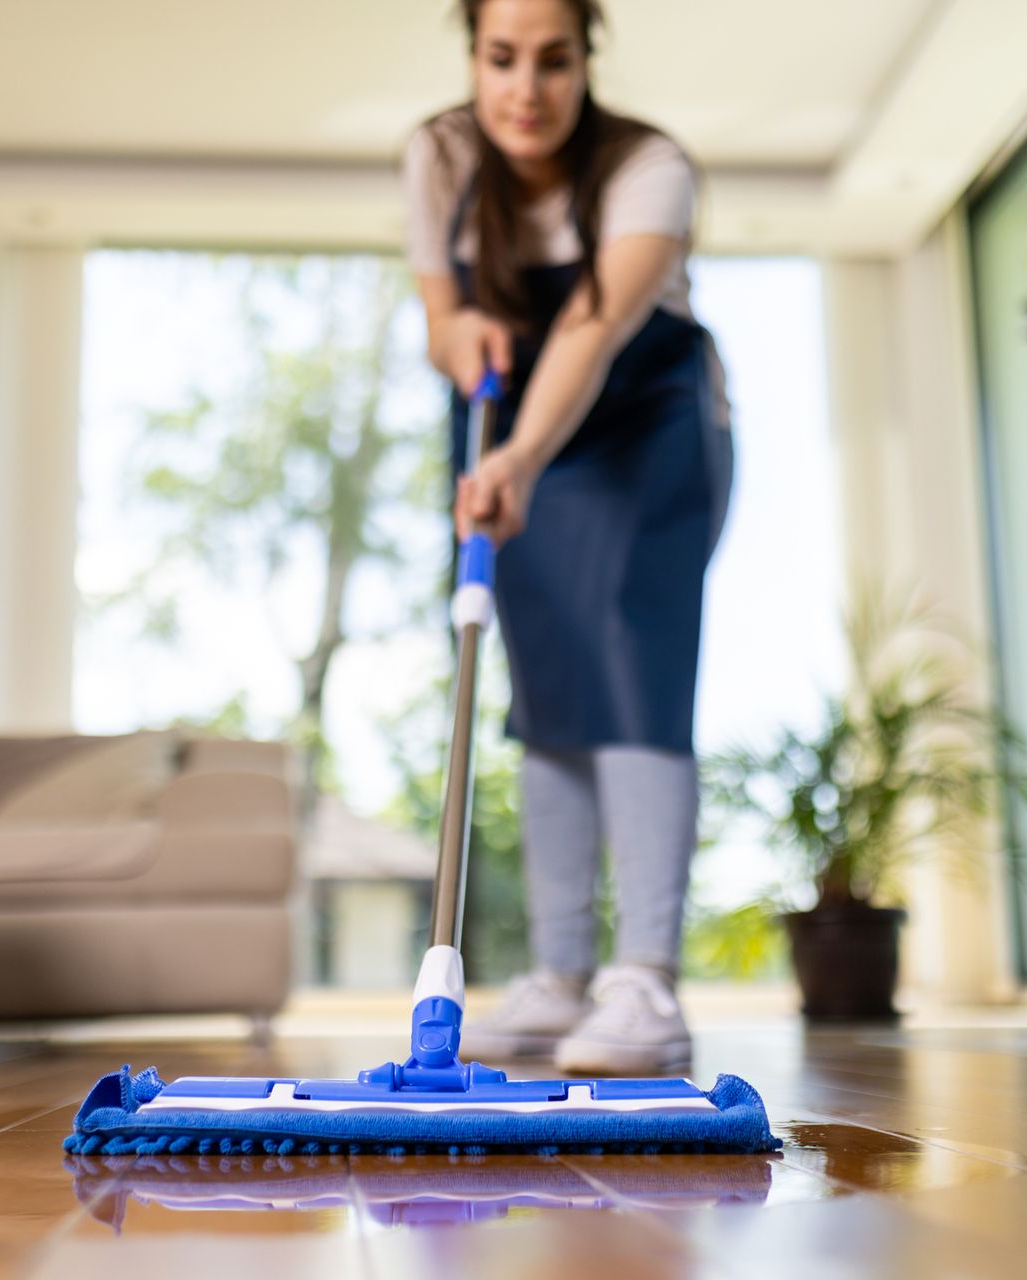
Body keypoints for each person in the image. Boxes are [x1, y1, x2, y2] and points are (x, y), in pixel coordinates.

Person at [401, 0, 732, 1075]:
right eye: (502, 61)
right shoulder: (442, 153)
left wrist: (521, 460)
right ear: (474, 58)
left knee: (631, 657)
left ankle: (646, 977)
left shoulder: (649, 166)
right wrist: (461, 334)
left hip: (643, 422)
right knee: (543, 674)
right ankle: (557, 974)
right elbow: (438, 313)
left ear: (588, 60)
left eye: (553, 62)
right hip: (507, 422)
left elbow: (593, 329)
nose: (525, 91)